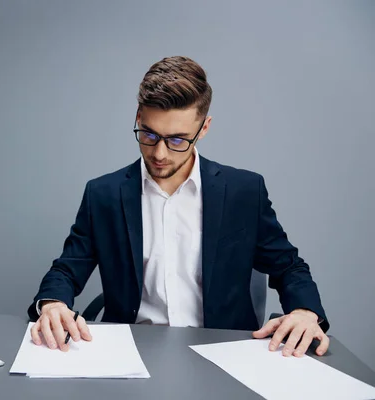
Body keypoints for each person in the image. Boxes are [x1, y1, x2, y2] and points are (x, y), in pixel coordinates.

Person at [27, 56, 329, 358]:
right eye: (148, 134)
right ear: (138, 117)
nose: (159, 153)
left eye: (177, 140)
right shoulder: (103, 194)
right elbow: (67, 269)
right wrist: (52, 303)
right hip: (132, 353)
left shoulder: (244, 192)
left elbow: (289, 267)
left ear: (204, 128)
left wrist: (304, 311)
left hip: (225, 355)